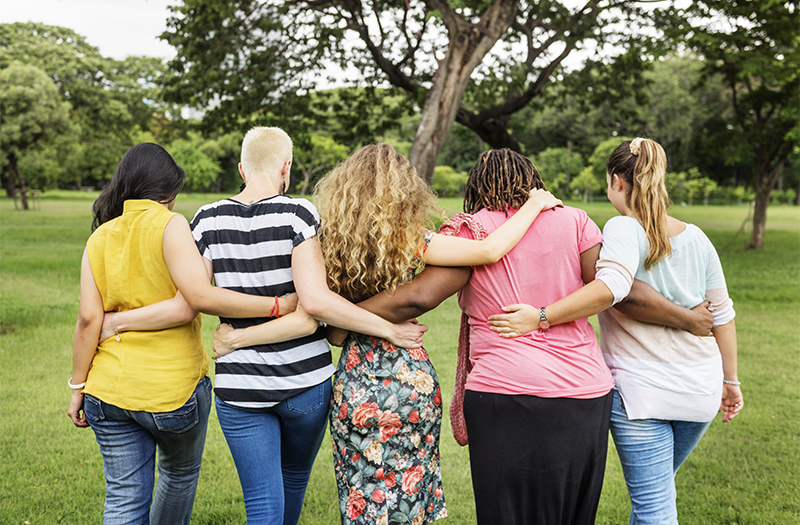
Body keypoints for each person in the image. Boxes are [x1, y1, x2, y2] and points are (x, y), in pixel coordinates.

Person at [218, 142, 563, 524]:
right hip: (409, 379)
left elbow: (328, 325)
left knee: (364, 500)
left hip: (356, 385)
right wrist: (533, 204)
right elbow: (488, 251)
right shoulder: (408, 239)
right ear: (405, 189)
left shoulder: (328, 241)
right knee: (410, 500)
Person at [98, 129, 428, 525]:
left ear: (241, 168)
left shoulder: (205, 218)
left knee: (261, 501)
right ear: (285, 167)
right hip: (306, 383)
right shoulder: (299, 214)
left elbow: (196, 296)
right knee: (293, 479)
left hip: (240, 388)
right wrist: (388, 330)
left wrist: (118, 321)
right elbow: (316, 303)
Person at [487, 138, 743, 524]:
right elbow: (722, 315)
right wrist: (731, 380)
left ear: (616, 182)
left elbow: (613, 288)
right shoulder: (697, 238)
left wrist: (541, 316)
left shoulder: (623, 227)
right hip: (700, 391)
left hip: (641, 395)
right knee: (657, 497)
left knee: (655, 508)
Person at [67, 143, 310, 524]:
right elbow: (192, 301)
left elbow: (86, 320)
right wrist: (277, 305)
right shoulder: (171, 224)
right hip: (172, 391)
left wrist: (78, 387)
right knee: (177, 475)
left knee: (123, 497)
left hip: (106, 390)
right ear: (168, 190)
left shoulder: (99, 236)